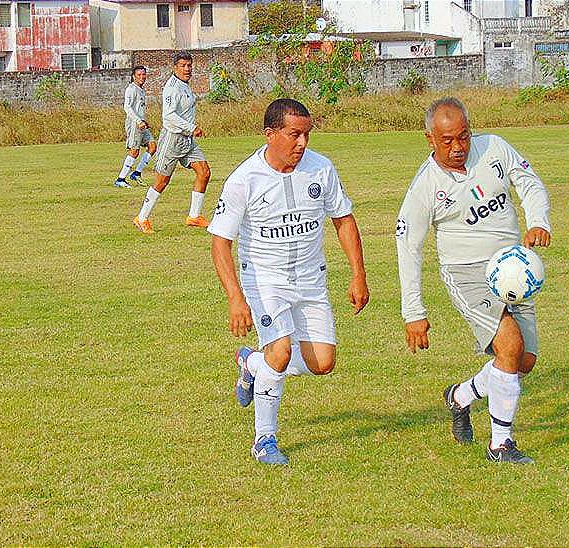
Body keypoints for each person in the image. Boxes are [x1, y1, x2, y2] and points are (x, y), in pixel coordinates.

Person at [208, 98, 369, 465]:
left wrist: (358, 274)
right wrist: (236, 298)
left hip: (312, 280)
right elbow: (220, 242)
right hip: (265, 281)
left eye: (307, 135)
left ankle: (252, 364)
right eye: (294, 134)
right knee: (279, 352)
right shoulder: (244, 180)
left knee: (323, 363)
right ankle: (264, 440)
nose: (302, 143)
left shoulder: (321, 169)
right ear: (270, 135)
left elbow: (343, 220)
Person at [395, 97, 551, 464]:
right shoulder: (424, 188)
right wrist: (413, 313)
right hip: (467, 273)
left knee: (522, 361)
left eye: (463, 136)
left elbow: (529, 183)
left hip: (514, 269)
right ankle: (501, 445)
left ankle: (460, 396)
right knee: (509, 347)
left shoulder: (494, 148)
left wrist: (539, 220)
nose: (458, 147)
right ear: (429, 139)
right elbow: (408, 248)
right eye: (447, 140)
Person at [132, 51, 211, 234]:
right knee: (162, 181)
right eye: (183, 65)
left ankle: (194, 216)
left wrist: (190, 131)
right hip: (173, 139)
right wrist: (191, 127)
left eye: (189, 65)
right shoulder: (172, 87)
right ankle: (142, 217)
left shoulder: (185, 85)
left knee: (204, 172)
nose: (187, 69)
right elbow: (168, 116)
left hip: (187, 140)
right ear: (175, 67)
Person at [114, 65, 156, 188]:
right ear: (134, 76)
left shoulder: (141, 90)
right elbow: (127, 107)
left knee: (152, 146)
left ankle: (136, 173)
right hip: (134, 124)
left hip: (142, 124)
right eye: (139, 75)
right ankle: (120, 179)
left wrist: (144, 120)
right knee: (134, 151)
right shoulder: (131, 89)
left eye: (144, 74)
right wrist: (138, 121)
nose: (142, 77)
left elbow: (139, 108)